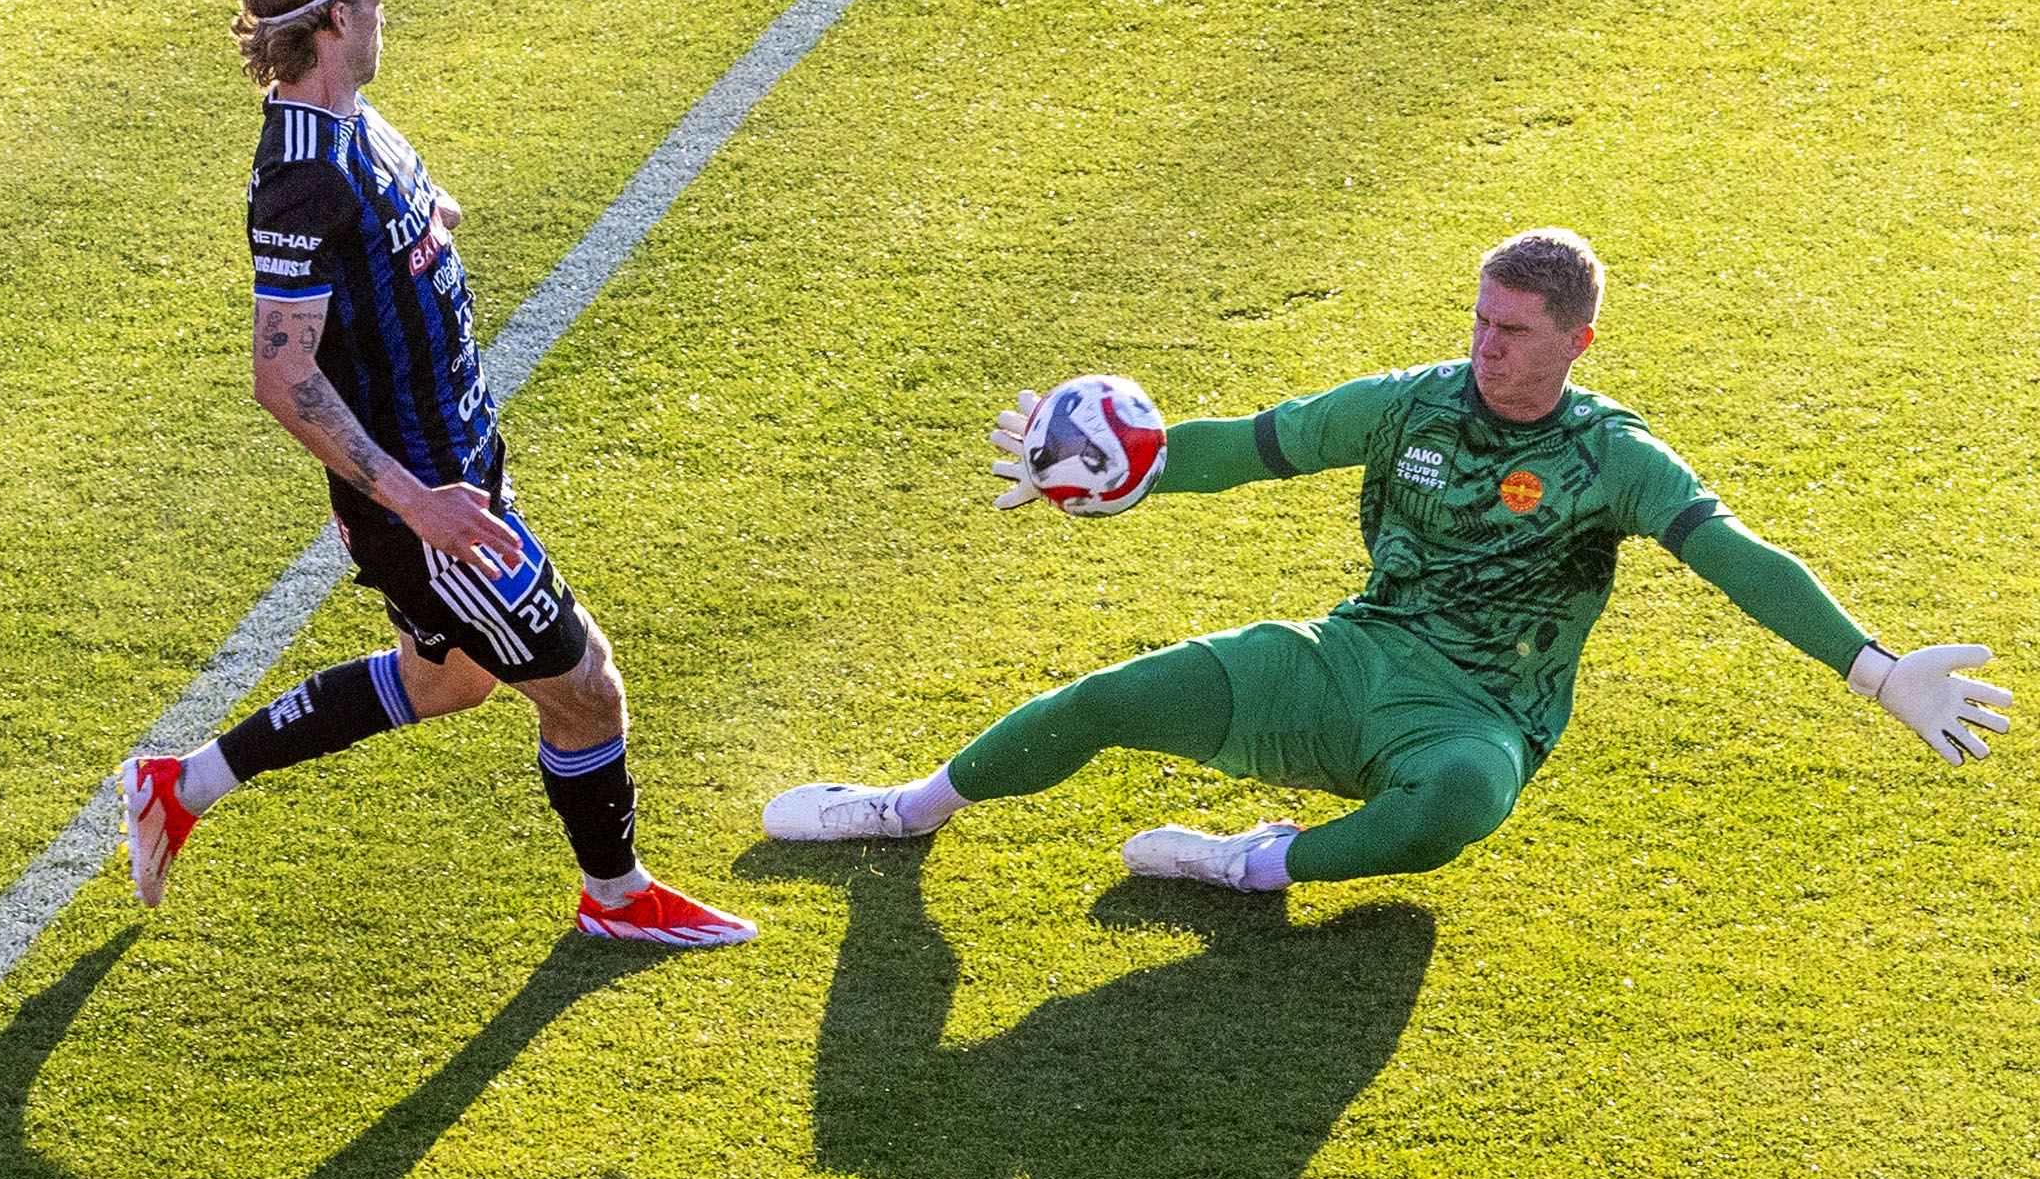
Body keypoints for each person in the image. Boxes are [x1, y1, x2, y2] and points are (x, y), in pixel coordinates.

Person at [764, 228, 2011, 887]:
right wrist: (1129, 464)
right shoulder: (1411, 402)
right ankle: (906, 810)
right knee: (1112, 699)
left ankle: (1248, 863)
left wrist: (1876, 669)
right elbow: (1258, 445)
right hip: (1350, 660)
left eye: (1514, 332)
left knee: (1452, 810)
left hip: (1479, 713)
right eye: (1477, 319)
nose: (1486, 348)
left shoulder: (1616, 458)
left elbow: (1737, 557)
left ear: (1577, 340)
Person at [121, 0, 754, 948]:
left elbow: (414, 215)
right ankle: (617, 895)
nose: (385, 13)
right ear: (330, 23)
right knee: (586, 688)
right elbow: (281, 379)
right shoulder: (302, 177)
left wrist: (427, 225)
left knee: (448, 677)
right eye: (373, 0)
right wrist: (419, 504)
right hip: (427, 506)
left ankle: (179, 784)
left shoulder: (350, 122)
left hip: (455, 474)